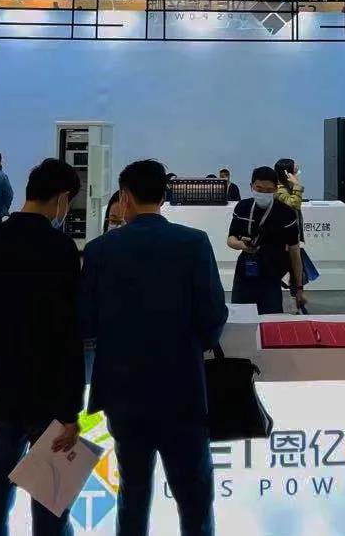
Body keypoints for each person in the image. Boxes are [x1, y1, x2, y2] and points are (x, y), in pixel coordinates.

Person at [81, 159, 226, 536]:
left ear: (125, 197)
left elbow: (86, 323)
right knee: (194, 500)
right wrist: (193, 345)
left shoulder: (99, 250)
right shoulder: (194, 243)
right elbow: (213, 316)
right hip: (183, 391)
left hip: (123, 395)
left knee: (132, 496)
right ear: (164, 196)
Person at [0, 158, 84, 535]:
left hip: (2, 390)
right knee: (50, 504)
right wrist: (71, 410)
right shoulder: (62, 249)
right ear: (62, 199)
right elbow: (70, 333)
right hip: (50, 398)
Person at [228, 166, 306, 314]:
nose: (263, 193)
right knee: (241, 315)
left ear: (276, 188)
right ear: (251, 186)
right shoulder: (242, 207)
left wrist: (299, 288)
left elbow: (295, 252)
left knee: (271, 317)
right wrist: (240, 245)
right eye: (259, 189)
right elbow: (231, 239)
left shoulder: (286, 213)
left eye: (269, 190)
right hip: (245, 271)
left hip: (272, 273)